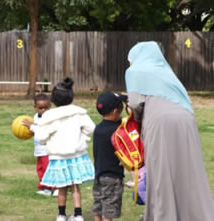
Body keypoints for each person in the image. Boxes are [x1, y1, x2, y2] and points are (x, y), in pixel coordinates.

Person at [125, 41, 214, 220]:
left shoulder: (134, 72)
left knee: (161, 171)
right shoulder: (167, 72)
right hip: (186, 120)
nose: (130, 64)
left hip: (160, 123)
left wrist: (134, 117)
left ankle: (164, 215)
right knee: (188, 170)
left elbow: (134, 103)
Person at [34, 77, 96, 221]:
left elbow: (41, 137)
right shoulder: (79, 113)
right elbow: (92, 129)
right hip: (76, 156)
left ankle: (61, 215)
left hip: (58, 157)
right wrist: (83, 136)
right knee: (75, 187)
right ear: (71, 96)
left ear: (53, 100)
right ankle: (78, 215)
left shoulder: (49, 116)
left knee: (61, 187)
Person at [91, 91, 127, 221]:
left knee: (98, 205)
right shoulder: (118, 130)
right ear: (115, 111)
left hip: (99, 174)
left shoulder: (98, 128)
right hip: (113, 176)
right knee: (109, 209)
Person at [23, 93, 58, 197]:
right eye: (40, 108)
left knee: (50, 169)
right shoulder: (35, 117)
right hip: (39, 150)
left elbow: (44, 131)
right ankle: (45, 188)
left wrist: (32, 127)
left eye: (46, 108)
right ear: (35, 107)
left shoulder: (50, 118)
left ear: (50, 106)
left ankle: (56, 187)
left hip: (49, 149)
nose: (43, 110)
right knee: (41, 169)